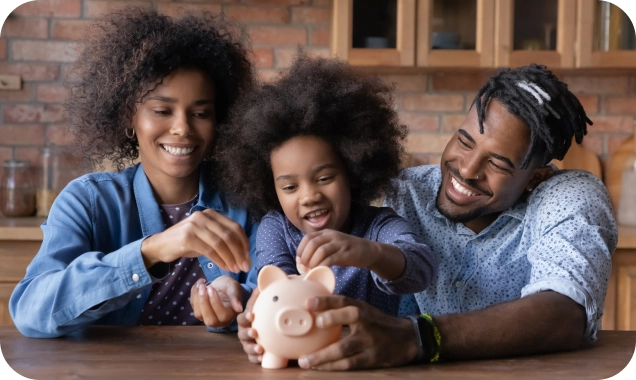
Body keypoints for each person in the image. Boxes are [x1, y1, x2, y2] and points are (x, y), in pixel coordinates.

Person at [237, 63, 617, 369]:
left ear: (536, 174)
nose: (466, 170)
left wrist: (417, 337)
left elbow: (565, 314)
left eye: (498, 163)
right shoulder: (406, 192)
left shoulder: (570, 195)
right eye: (465, 141)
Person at [10, 7, 258, 338]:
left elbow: (277, 295)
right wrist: (152, 250)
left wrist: (240, 304)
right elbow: (30, 310)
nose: (182, 128)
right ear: (129, 116)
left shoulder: (248, 201)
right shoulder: (88, 201)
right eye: (162, 110)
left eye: (201, 113)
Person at [214, 53, 437, 319]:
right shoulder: (276, 228)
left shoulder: (379, 226)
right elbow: (274, 283)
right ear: (269, 187)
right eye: (290, 187)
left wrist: (370, 253)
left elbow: (421, 270)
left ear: (353, 172)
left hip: (372, 355)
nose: (309, 196)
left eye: (324, 179)